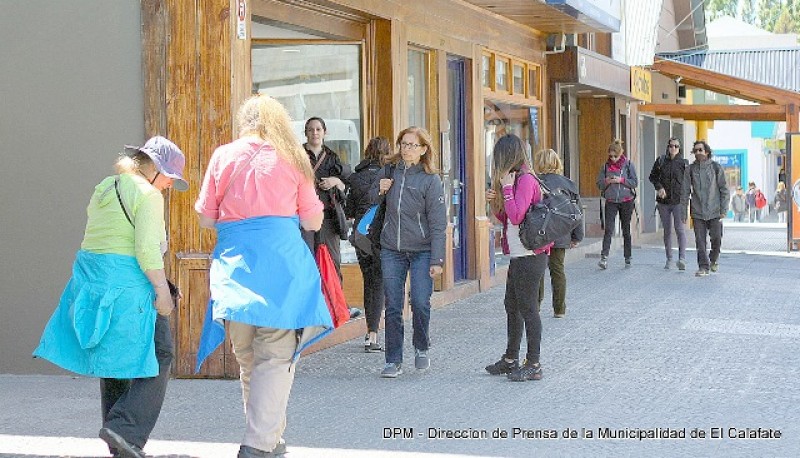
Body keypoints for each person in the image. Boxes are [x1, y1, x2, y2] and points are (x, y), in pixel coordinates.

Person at [33, 136, 188, 458]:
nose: (171, 185)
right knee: (161, 355)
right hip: (130, 288)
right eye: (170, 177)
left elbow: (104, 237)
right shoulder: (148, 196)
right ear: (156, 169)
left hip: (95, 283)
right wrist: (163, 293)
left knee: (115, 361)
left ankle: (121, 444)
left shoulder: (106, 186)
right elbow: (146, 251)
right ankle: (126, 430)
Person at [194, 94, 330, 458]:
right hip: (282, 270)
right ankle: (257, 444)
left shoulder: (223, 155)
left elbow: (206, 218)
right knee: (275, 357)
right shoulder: (294, 157)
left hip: (234, 270)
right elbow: (313, 220)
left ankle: (270, 437)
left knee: (249, 359)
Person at [372, 126, 446, 378]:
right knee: (393, 305)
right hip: (391, 249)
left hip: (422, 251)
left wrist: (437, 259)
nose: (406, 149)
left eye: (413, 145)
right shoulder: (390, 170)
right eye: (403, 144)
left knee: (420, 303)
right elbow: (369, 201)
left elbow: (438, 223)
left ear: (424, 149)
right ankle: (393, 360)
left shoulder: (430, 180)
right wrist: (379, 190)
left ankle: (421, 346)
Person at [484, 134, 551, 381]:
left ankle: (533, 363)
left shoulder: (524, 180)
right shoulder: (516, 179)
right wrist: (495, 203)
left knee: (528, 308)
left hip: (530, 255)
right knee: (512, 305)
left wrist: (507, 190)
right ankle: (510, 359)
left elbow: (517, 216)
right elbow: (505, 219)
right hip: (519, 253)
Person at [346, 136, 392, 352]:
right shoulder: (390, 176)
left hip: (362, 237)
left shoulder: (355, 177)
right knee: (380, 282)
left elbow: (348, 210)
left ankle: (370, 331)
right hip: (382, 235)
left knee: (369, 282)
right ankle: (373, 334)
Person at [532, 148, 582, 318]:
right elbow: (577, 212)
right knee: (558, 270)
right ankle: (559, 309)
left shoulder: (535, 182)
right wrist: (576, 236)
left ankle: (536, 306)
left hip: (541, 233)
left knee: (538, 270)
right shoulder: (569, 184)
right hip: (561, 233)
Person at [302, 116, 349, 280]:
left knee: (332, 261)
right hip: (304, 218)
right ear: (305, 133)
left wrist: (334, 181)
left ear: (324, 132)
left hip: (328, 218)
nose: (314, 133)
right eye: (311, 129)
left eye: (318, 129)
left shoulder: (332, 157)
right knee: (306, 261)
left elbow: (345, 186)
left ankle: (333, 304)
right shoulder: (298, 155)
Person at [684, 140, 729, 277]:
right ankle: (703, 267)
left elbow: (724, 189)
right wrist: (683, 211)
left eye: (700, 150)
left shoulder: (716, 168)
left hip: (715, 210)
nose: (698, 153)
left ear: (707, 152)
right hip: (697, 211)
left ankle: (713, 259)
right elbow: (685, 191)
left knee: (716, 238)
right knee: (700, 240)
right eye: (695, 150)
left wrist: (723, 209)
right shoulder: (690, 169)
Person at [648, 137, 689, 270]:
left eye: (676, 146)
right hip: (663, 202)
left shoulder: (684, 163)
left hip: (678, 201)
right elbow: (652, 177)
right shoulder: (660, 161)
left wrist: (686, 199)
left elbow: (688, 182)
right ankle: (669, 258)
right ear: (668, 147)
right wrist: (659, 187)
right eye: (671, 146)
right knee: (667, 230)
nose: (673, 148)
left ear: (679, 148)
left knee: (679, 229)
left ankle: (682, 258)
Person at [596, 139, 638, 269]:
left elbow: (635, 182)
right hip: (611, 201)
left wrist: (621, 180)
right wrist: (607, 181)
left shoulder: (628, 165)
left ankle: (628, 257)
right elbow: (599, 184)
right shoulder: (605, 166)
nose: (613, 159)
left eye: (616, 156)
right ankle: (604, 257)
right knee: (609, 229)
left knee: (626, 229)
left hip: (626, 200)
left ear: (621, 154)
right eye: (611, 156)